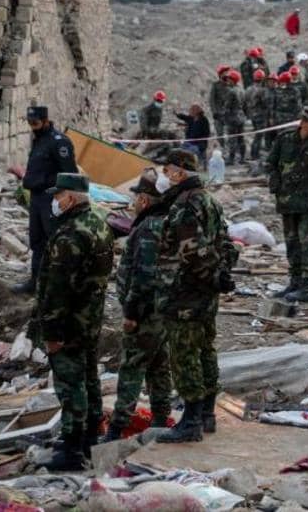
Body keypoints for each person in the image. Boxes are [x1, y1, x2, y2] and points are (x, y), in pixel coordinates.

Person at [31, 172, 114, 469]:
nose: (54, 201)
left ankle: (72, 448)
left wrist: (52, 332)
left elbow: (58, 289)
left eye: (58, 196)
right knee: (89, 378)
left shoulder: (70, 235)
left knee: (70, 384)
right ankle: (91, 437)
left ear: (70, 197)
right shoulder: (99, 224)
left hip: (68, 324)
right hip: (90, 319)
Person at [154, 149, 233, 443]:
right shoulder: (209, 200)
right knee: (205, 349)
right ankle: (207, 413)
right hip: (206, 292)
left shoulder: (185, 205)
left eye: (167, 171)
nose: (165, 176)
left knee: (184, 354)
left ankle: (190, 421)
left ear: (179, 172)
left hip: (185, 292)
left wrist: (211, 275)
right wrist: (220, 275)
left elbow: (193, 250)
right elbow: (225, 242)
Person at [103, 170, 173, 443]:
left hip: (145, 313)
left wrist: (132, 312)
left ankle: (116, 430)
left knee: (133, 368)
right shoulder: (168, 222)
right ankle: (160, 422)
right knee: (159, 366)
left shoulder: (148, 228)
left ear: (144, 199)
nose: (133, 204)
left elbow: (143, 274)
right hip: (163, 309)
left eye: (136, 199)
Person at [266, 108, 308, 302]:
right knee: (292, 243)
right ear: (302, 123)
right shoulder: (284, 139)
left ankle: (307, 287)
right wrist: (275, 183)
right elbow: (271, 163)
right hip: (287, 202)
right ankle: (294, 282)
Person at [14, 106, 77, 294]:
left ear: (46, 121)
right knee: (37, 242)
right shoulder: (38, 140)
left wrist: (61, 198)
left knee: (54, 242)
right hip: (36, 198)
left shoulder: (60, 142)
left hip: (51, 198)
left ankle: (55, 286)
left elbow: (70, 174)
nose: (32, 127)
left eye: (35, 123)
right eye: (29, 123)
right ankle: (36, 282)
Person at [214, 70, 247, 165]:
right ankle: (242, 158)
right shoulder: (241, 90)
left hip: (232, 118)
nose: (227, 80)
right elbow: (245, 105)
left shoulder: (231, 92)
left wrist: (220, 115)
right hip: (241, 116)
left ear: (233, 80)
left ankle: (231, 159)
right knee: (241, 138)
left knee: (232, 139)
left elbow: (227, 107)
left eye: (229, 79)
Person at [246, 70, 274, 160]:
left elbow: (246, 102)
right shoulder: (262, 90)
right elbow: (266, 103)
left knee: (257, 135)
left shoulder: (249, 89)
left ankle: (254, 154)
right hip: (261, 116)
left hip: (252, 115)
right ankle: (255, 155)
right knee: (259, 136)